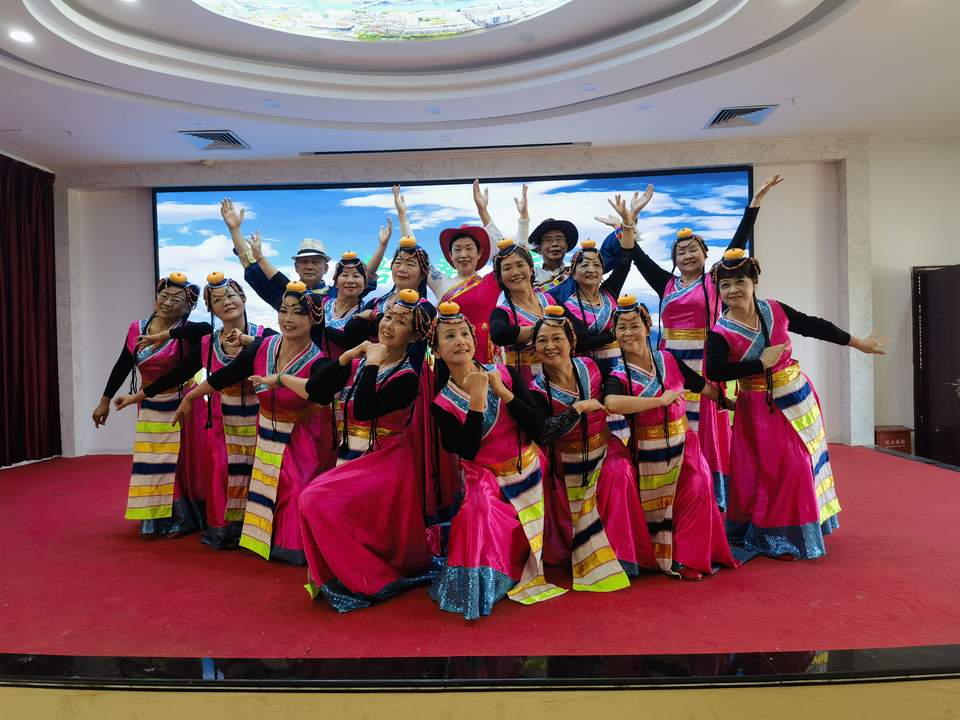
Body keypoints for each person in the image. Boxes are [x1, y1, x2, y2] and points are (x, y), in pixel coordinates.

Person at [596, 177, 782, 510]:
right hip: (670, 365)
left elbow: (738, 242)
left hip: (704, 363)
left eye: (693, 249)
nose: (687, 254)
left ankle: (709, 496)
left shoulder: (715, 281)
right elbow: (635, 254)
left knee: (706, 432)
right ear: (675, 258)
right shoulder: (666, 285)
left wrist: (754, 205)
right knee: (667, 423)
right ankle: (669, 492)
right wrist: (629, 222)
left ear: (705, 254)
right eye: (680, 251)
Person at [705, 249, 885, 559]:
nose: (733, 290)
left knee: (804, 461)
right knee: (779, 468)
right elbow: (715, 370)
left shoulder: (774, 310)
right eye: (725, 285)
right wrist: (759, 364)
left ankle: (802, 529)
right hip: (760, 411)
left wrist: (858, 343)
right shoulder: (720, 333)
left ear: (754, 282)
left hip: (798, 397)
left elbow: (814, 326)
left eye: (740, 282)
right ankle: (776, 535)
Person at [265, 290, 435, 611]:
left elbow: (365, 410)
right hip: (352, 457)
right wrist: (346, 357)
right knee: (351, 520)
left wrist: (371, 364)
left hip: (385, 461)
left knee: (314, 499)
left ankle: (368, 575)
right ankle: (346, 573)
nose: (389, 325)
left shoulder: (407, 377)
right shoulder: (359, 363)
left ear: (414, 336)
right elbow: (317, 389)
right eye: (388, 317)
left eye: (401, 322)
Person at [171, 281, 336, 564]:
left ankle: (292, 548)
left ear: (313, 319)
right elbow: (225, 376)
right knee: (265, 485)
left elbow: (319, 391)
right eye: (284, 311)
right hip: (267, 431)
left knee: (294, 488)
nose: (288, 319)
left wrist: (281, 379)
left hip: (301, 435)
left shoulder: (318, 360)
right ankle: (264, 540)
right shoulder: (264, 347)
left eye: (298, 313)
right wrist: (190, 397)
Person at [429, 302, 565, 619]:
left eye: (465, 334)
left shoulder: (504, 373)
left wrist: (503, 392)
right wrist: (477, 402)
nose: (460, 341)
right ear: (436, 350)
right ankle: (479, 587)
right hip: (485, 476)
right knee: (476, 510)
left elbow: (539, 427)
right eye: (449, 336)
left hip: (527, 468)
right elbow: (467, 450)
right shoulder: (442, 402)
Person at [114, 273, 266, 549]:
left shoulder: (265, 336)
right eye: (217, 300)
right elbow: (177, 375)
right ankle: (226, 529)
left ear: (243, 298)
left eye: (230, 296)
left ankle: (257, 531)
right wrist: (136, 396)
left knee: (258, 471)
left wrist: (166, 335)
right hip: (222, 418)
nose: (226, 302)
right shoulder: (209, 343)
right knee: (221, 470)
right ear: (212, 310)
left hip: (258, 417)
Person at [604, 296, 736, 581]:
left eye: (634, 325)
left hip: (683, 442)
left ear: (647, 326)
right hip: (647, 451)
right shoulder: (618, 374)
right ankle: (662, 553)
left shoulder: (668, 359)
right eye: (621, 328)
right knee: (659, 507)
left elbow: (699, 384)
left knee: (698, 487)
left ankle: (689, 557)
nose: (628, 333)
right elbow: (612, 403)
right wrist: (658, 401)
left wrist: (728, 402)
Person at [529, 306, 654, 588]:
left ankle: (621, 554)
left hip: (605, 450)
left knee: (619, 472)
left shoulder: (591, 366)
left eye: (557, 338)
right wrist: (577, 409)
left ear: (571, 342)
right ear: (534, 349)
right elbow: (543, 433)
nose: (550, 346)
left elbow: (621, 389)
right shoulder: (536, 389)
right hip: (567, 465)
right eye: (542, 341)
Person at [92, 272, 207, 537]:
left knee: (178, 461)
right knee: (151, 459)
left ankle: (185, 517)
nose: (168, 302)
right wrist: (104, 401)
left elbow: (206, 330)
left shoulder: (188, 332)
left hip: (181, 403)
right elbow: (123, 364)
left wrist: (168, 333)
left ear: (187, 307)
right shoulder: (137, 328)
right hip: (149, 404)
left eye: (177, 300)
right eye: (164, 295)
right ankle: (155, 516)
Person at [219, 198, 387, 309]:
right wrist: (235, 230)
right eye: (304, 262)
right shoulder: (283, 293)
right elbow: (252, 265)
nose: (309, 266)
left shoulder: (340, 293)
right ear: (296, 267)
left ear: (326, 268)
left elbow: (366, 275)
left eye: (315, 262)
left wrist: (382, 246)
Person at [488, 239, 556, 384]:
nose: (515, 272)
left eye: (520, 265)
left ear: (531, 269)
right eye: (507, 268)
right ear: (500, 277)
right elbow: (499, 334)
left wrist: (532, 335)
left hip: (559, 376)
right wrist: (548, 331)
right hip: (524, 385)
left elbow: (574, 330)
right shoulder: (502, 312)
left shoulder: (549, 300)